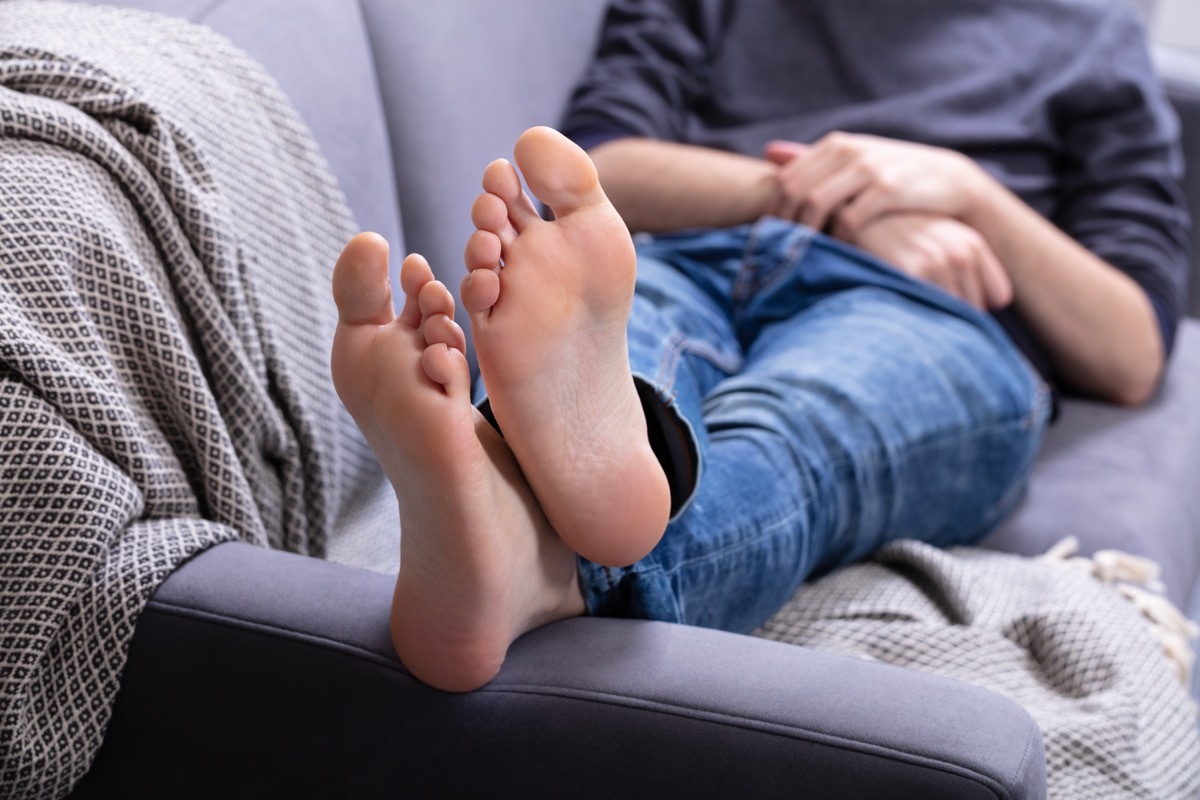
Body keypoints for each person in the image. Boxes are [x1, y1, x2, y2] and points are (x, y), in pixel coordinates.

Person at [329, 0, 1190, 693]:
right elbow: (592, 168)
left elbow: (1130, 345)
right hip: (683, 250)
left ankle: (534, 552)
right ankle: (546, 502)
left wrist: (965, 193)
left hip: (926, 310)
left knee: (793, 433)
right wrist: (829, 191)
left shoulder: (1092, 32)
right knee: (631, 355)